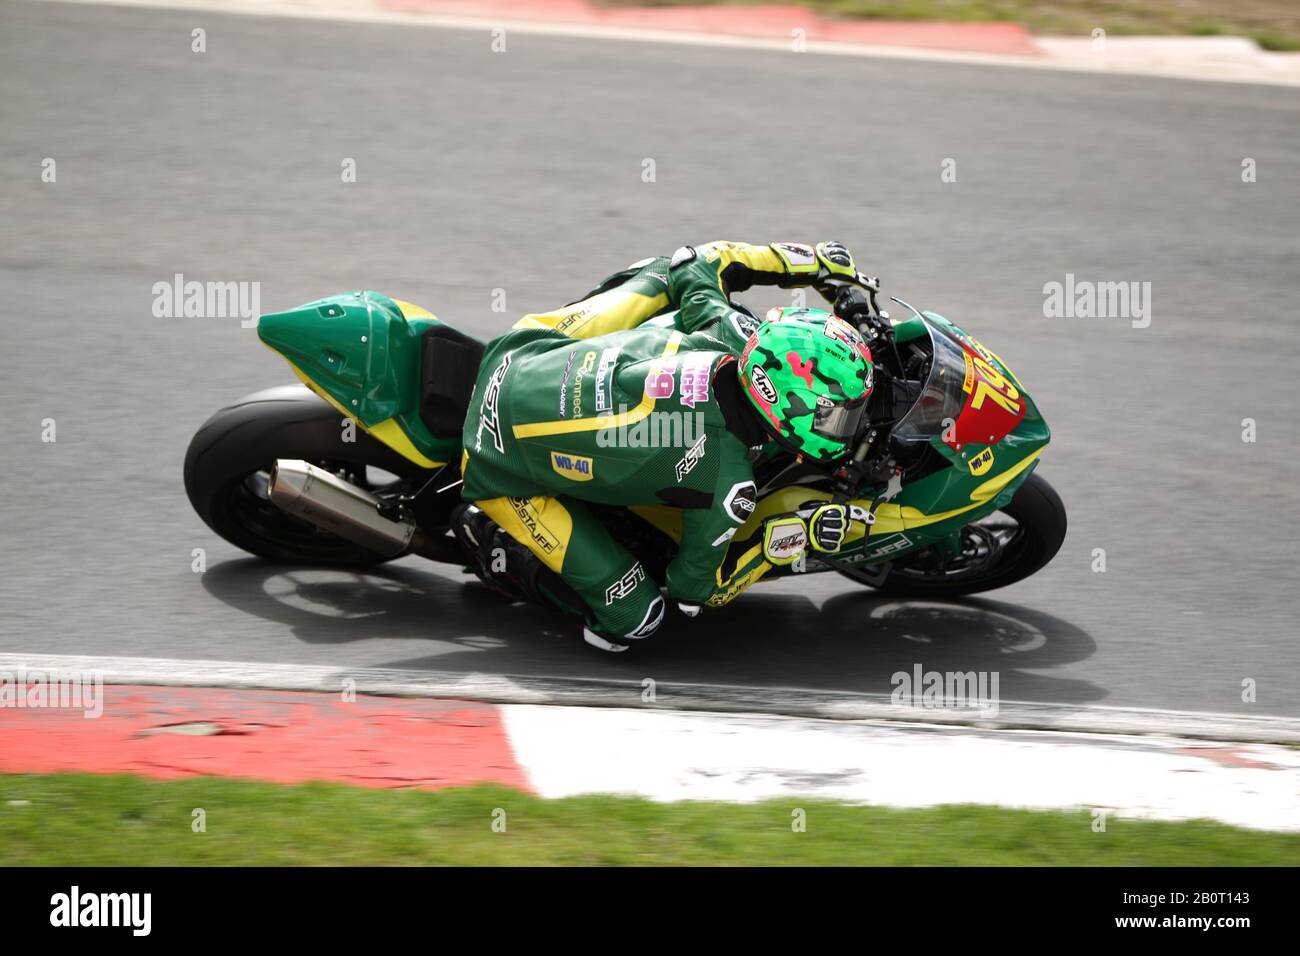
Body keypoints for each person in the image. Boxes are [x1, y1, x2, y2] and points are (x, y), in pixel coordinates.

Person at [455, 241, 876, 651]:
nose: (845, 426)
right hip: (496, 462)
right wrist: (785, 540)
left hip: (521, 347)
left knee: (667, 270)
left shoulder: (722, 328)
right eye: (838, 415)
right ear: (786, 403)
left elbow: (699, 260)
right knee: (634, 618)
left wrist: (811, 263)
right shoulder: (727, 486)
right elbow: (694, 593)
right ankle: (493, 545)